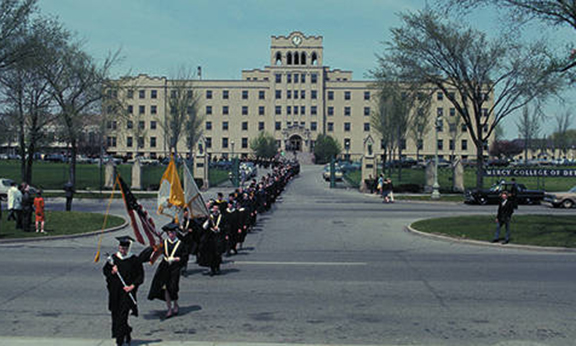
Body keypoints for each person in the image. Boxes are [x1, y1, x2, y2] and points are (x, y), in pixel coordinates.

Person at [103, 236, 144, 346]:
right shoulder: (113, 259)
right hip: (115, 292)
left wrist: (132, 286)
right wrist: (112, 271)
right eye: (121, 248)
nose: (122, 251)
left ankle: (119, 341)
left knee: (123, 315)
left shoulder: (134, 259)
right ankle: (127, 331)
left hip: (127, 293)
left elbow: (140, 276)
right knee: (115, 315)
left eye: (125, 249)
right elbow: (105, 271)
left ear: (128, 249)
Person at [148, 223, 188, 319]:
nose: (171, 235)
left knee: (173, 287)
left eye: (173, 233)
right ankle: (169, 309)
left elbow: (185, 257)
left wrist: (176, 259)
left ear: (176, 233)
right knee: (165, 288)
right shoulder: (164, 243)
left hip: (175, 268)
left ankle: (175, 304)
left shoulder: (181, 244)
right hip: (164, 267)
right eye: (169, 233)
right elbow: (157, 250)